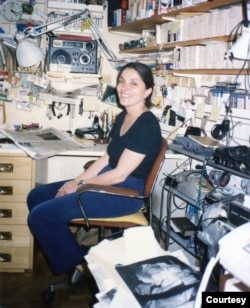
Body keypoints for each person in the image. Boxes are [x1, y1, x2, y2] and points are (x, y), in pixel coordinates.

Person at [27, 62, 162, 282]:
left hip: (125, 193)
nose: (124, 88)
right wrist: (75, 181)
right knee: (37, 196)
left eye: (134, 83)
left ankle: (81, 266)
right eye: (121, 81)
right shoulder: (124, 117)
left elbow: (119, 174)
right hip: (110, 182)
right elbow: (107, 158)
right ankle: (69, 254)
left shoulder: (147, 126)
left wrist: (79, 187)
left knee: (41, 216)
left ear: (148, 91)